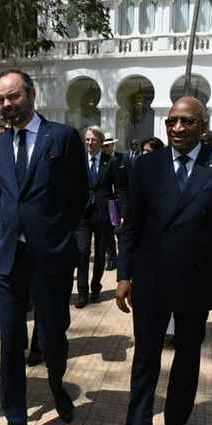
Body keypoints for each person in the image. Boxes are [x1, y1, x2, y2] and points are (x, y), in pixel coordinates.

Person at [105, 97, 212, 425]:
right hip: (151, 283)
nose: (177, 128)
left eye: (187, 122)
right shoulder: (146, 165)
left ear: (203, 126)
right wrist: (123, 275)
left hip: (196, 283)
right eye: (171, 121)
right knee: (144, 365)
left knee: (186, 362)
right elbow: (130, 226)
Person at [0, 68, 88, 425]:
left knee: (53, 334)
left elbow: (79, 195)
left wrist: (63, 240)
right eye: (1, 100)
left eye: (13, 96)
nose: (7, 105)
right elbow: (0, 198)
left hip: (51, 258)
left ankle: (58, 384)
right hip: (11, 260)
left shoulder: (61, 138)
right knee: (11, 341)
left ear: (31, 94)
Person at [76, 126, 118, 308]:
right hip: (83, 215)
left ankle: (96, 288)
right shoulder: (77, 162)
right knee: (83, 252)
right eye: (87, 140)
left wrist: (120, 213)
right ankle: (82, 293)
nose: (89, 143)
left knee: (100, 254)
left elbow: (120, 188)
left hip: (103, 214)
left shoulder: (111, 162)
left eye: (93, 140)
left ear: (101, 142)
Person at [101, 135, 123, 271]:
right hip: (108, 202)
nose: (105, 148)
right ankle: (111, 257)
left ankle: (123, 257)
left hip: (120, 201)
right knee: (108, 232)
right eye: (103, 146)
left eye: (107, 146)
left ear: (113, 146)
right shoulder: (102, 161)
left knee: (120, 231)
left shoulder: (122, 158)